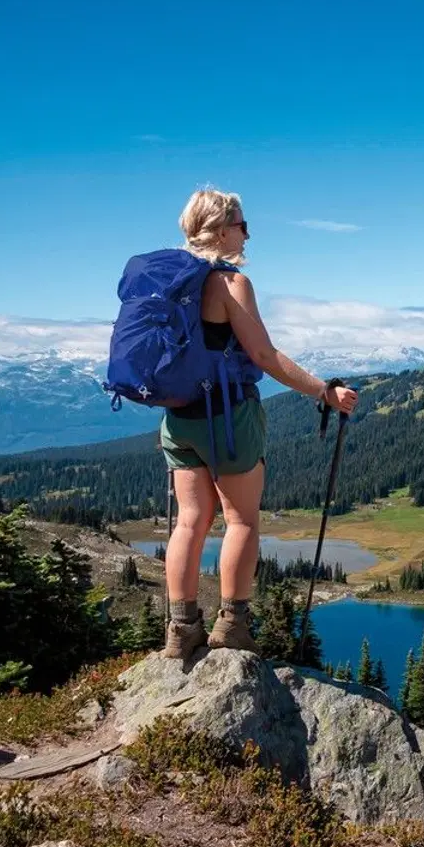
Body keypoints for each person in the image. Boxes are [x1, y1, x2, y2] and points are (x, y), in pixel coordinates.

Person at [161, 187, 357, 659]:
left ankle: (181, 628)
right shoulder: (230, 284)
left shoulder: (170, 281)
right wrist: (323, 391)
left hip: (179, 417)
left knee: (189, 522)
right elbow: (264, 355)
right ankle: (232, 625)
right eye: (243, 225)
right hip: (228, 417)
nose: (248, 234)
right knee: (241, 520)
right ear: (222, 228)